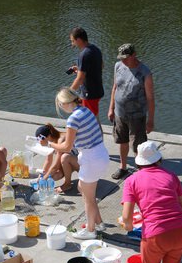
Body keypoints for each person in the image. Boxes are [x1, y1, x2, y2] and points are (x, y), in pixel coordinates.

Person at [121, 141, 182, 263]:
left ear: (138, 162)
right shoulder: (171, 176)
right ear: (159, 160)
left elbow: (127, 219)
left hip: (155, 234)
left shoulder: (131, 181)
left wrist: (126, 224)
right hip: (181, 230)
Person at [49, 87, 109, 239]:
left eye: (61, 105)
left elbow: (67, 147)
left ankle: (90, 231)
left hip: (91, 159)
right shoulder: (86, 110)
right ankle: (99, 222)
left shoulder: (73, 119)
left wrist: (50, 145)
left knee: (88, 199)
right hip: (100, 154)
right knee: (83, 188)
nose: (61, 108)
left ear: (65, 103)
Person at [107, 43, 155, 180]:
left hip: (137, 115)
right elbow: (114, 88)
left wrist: (150, 120)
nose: (122, 60)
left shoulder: (145, 72)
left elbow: (151, 98)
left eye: (125, 58)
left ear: (134, 55)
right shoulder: (118, 66)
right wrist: (111, 108)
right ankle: (123, 167)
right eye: (121, 58)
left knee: (138, 146)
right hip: (120, 113)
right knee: (122, 141)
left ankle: (142, 172)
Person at [68, 27, 104, 117]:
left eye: (73, 41)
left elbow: (80, 79)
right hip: (97, 90)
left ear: (79, 40)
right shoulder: (95, 49)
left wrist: (68, 92)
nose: (72, 44)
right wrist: (81, 69)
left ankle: (95, 131)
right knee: (93, 117)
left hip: (89, 94)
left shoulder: (83, 55)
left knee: (91, 119)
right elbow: (101, 66)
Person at [35, 123, 79, 193]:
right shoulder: (50, 142)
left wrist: (44, 179)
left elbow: (56, 166)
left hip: (80, 164)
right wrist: (41, 175)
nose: (40, 142)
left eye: (41, 138)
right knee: (54, 176)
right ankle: (66, 181)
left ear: (49, 135)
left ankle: (67, 184)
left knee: (64, 157)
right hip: (69, 163)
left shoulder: (61, 139)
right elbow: (48, 160)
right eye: (38, 139)